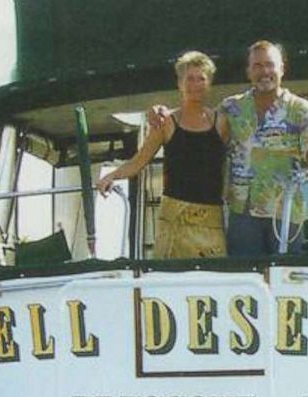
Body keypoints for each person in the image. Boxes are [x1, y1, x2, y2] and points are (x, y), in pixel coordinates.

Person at [152, 40, 308, 256]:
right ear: (248, 71)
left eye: (270, 65)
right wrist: (159, 113)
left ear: (282, 68)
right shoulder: (231, 107)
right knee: (244, 279)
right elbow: (199, 122)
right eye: (257, 66)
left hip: (285, 213)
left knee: (285, 278)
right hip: (242, 214)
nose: (264, 71)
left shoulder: (302, 110)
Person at [97, 51, 227, 259]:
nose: (195, 84)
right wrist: (112, 176)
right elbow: (140, 159)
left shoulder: (221, 122)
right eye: (189, 79)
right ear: (180, 83)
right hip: (174, 218)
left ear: (209, 82)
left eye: (201, 78)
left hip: (211, 220)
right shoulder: (165, 122)